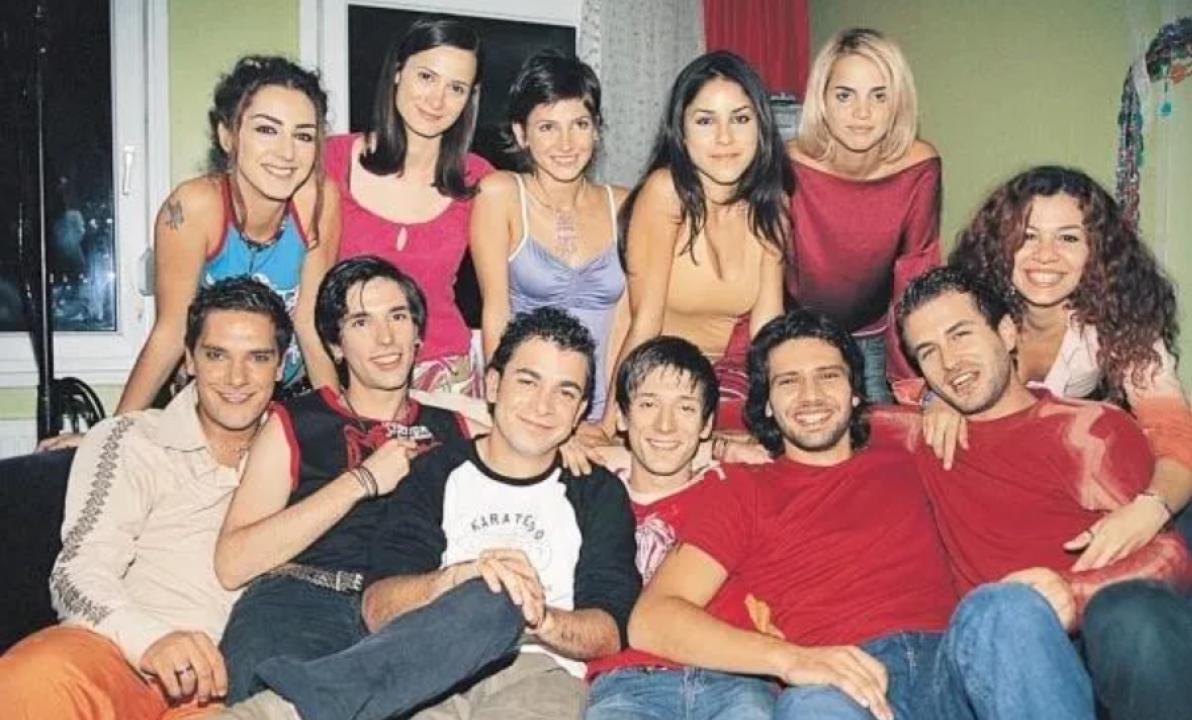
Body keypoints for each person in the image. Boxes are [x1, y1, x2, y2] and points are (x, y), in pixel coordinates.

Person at [213, 306, 640, 720]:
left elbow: (608, 632)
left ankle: (285, 711)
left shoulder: (597, 492)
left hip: (540, 673)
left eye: (565, 392)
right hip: (430, 667)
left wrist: (538, 617)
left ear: (580, 411)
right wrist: (457, 581)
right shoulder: (434, 471)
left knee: (502, 601)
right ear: (493, 386)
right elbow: (377, 608)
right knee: (489, 595)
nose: (543, 406)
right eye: (528, 381)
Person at [896, 265, 1191, 717]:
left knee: (1132, 615)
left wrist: (1074, 592)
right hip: (994, 660)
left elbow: (1171, 558)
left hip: (1098, 651)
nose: (950, 362)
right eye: (928, 352)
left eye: (961, 335)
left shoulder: (1089, 429)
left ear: (1007, 332)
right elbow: (817, 408)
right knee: (1002, 609)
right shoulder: (921, 440)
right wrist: (930, 399)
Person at [0, 277, 290, 719]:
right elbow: (78, 572)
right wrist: (150, 639)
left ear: (281, 366)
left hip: (220, 686)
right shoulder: (132, 439)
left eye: (258, 357)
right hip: (119, 654)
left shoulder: (304, 454)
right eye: (216, 355)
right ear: (188, 359)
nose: (237, 378)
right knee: (32, 681)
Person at [214, 256, 480, 702]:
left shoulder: (456, 428)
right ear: (336, 346)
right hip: (299, 603)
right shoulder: (298, 421)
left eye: (398, 317)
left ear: (418, 334)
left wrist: (570, 442)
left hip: (406, 613)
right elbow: (232, 563)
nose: (385, 337)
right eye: (361, 322)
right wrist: (360, 481)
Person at [939, 166, 1192, 571]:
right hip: (1008, 492)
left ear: (1097, 251)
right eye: (1027, 236)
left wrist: (1150, 509)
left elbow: (1174, 432)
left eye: (1068, 238)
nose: (1045, 255)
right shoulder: (968, 310)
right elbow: (920, 363)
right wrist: (939, 398)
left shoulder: (1119, 322)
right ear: (999, 245)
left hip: (1101, 482)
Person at [123, 56, 339, 415]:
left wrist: (341, 421)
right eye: (266, 130)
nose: (287, 153)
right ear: (228, 136)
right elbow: (171, 331)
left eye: (303, 135)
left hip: (289, 393)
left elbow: (308, 323)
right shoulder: (193, 207)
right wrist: (113, 431)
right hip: (209, 398)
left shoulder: (318, 199)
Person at [583, 336, 777, 720]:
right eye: (648, 404)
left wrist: (727, 448)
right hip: (628, 680)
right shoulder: (592, 493)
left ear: (707, 424)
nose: (665, 424)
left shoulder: (732, 487)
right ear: (620, 416)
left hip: (735, 677)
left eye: (685, 408)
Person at [609, 51, 791, 427]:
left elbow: (767, 330)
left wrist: (780, 416)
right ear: (682, 131)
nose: (725, 138)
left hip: (723, 383)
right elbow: (644, 324)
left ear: (761, 126)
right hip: (654, 378)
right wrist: (611, 425)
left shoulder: (774, 203)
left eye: (740, 119)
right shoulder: (666, 193)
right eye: (705, 121)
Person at [327, 16, 493, 395]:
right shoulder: (332, 161)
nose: (437, 100)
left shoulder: (480, 179)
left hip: (445, 375)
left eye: (456, 88)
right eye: (426, 77)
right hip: (348, 371)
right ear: (398, 71)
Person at [471, 50, 628, 429]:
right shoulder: (500, 194)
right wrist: (505, 412)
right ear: (521, 133)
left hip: (603, 409)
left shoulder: (625, 205)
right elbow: (495, 313)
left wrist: (609, 422)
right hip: (527, 406)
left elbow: (628, 321)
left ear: (597, 129)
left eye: (580, 124)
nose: (566, 143)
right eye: (547, 127)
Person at [787, 28, 940, 403]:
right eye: (845, 95)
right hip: (795, 334)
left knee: (892, 429)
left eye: (879, 95)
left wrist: (914, 380)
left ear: (897, 103)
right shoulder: (787, 165)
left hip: (873, 338)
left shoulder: (919, 166)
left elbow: (915, 271)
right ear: (822, 100)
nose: (862, 113)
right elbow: (764, 268)